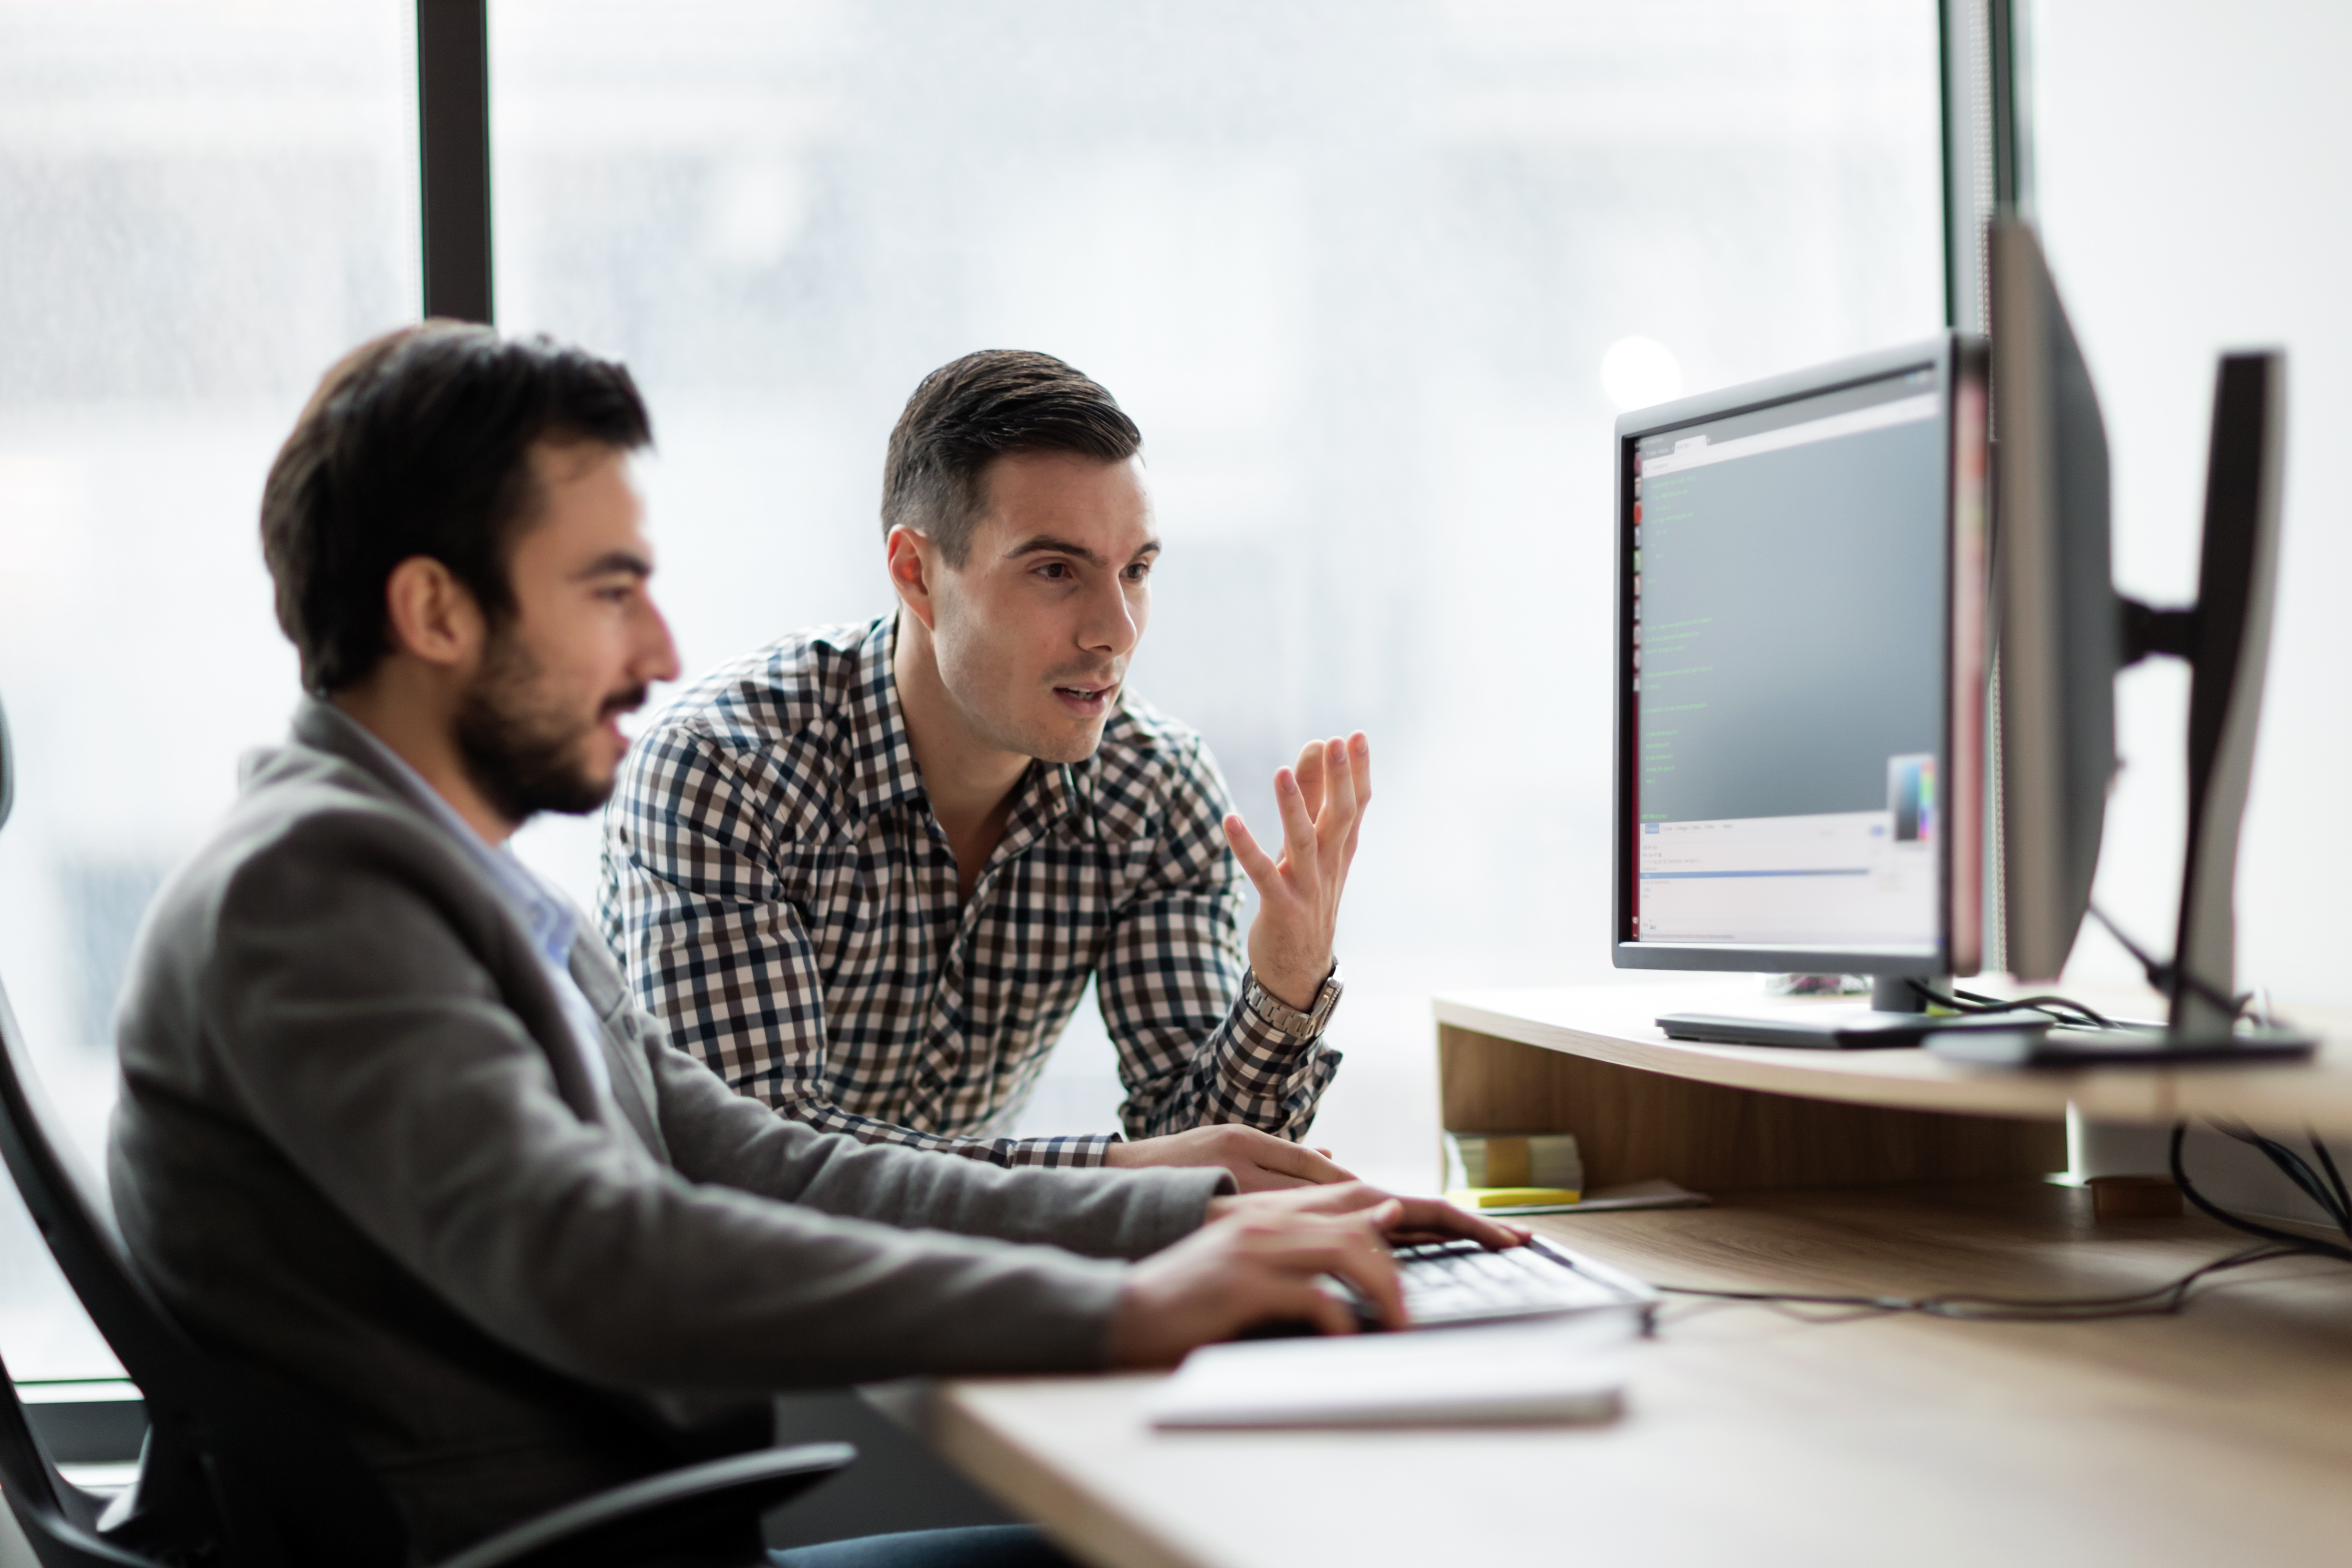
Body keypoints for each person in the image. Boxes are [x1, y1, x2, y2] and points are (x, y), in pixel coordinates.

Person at [107, 322, 1522, 1568]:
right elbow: (605, 1250)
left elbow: (749, 1152)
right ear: (434, 610)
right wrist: (1120, 1307)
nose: (660, 648)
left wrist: (1182, 1219)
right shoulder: (315, 892)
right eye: (609, 589)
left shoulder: (438, 872)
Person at [600, 351, 1367, 1192]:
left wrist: (1287, 983)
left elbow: (1211, 1165)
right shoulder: (723, 774)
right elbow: (752, 1173)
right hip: (691, 1305)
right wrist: (1107, 1173)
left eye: (1136, 572)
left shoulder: (1152, 787)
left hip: (963, 1290)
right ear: (916, 574)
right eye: (1054, 571)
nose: (1117, 631)